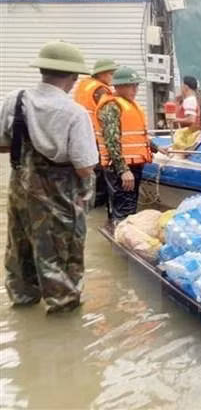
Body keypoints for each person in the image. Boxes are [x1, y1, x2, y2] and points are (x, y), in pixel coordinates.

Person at [0, 40, 98, 313]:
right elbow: (85, 167)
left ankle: (23, 301)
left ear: (42, 70)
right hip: (60, 196)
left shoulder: (15, 100)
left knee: (20, 249)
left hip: (20, 191)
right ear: (74, 77)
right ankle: (64, 317)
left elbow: (3, 145)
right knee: (60, 254)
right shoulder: (74, 113)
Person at [95, 66, 161, 225]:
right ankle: (120, 243)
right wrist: (123, 170)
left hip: (132, 165)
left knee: (127, 209)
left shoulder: (127, 105)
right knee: (124, 211)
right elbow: (112, 141)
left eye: (136, 85)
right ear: (118, 86)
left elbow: (133, 135)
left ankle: (116, 237)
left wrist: (155, 148)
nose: (135, 89)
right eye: (131, 85)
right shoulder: (112, 107)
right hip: (121, 168)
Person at [74, 58, 119, 208]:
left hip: (83, 133)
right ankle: (98, 202)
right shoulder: (101, 90)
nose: (114, 77)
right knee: (100, 170)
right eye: (112, 74)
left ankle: (86, 200)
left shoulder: (84, 85)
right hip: (96, 135)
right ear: (103, 74)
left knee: (89, 168)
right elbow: (108, 115)